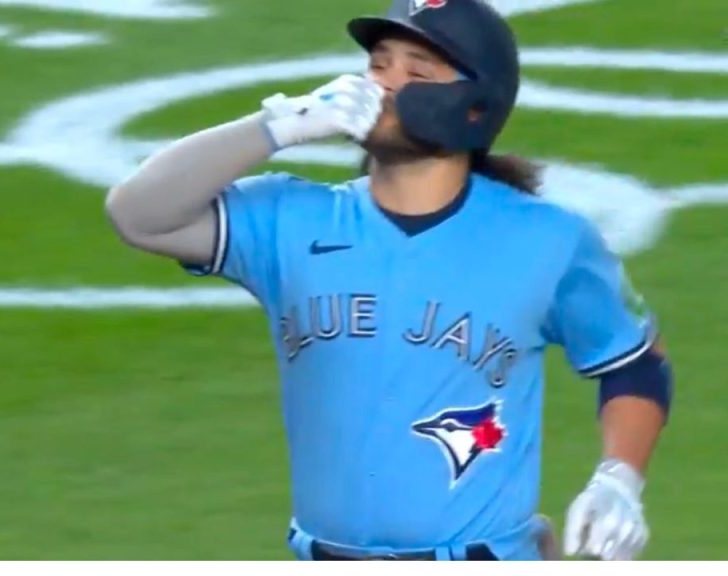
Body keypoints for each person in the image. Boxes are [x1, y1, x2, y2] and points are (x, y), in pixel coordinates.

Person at [104, 0, 672, 561]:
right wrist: (274, 128)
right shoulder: (291, 220)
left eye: (417, 70)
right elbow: (138, 214)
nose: (385, 84)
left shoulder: (548, 239)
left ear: (476, 108)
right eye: (378, 64)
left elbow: (635, 365)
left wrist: (618, 479)